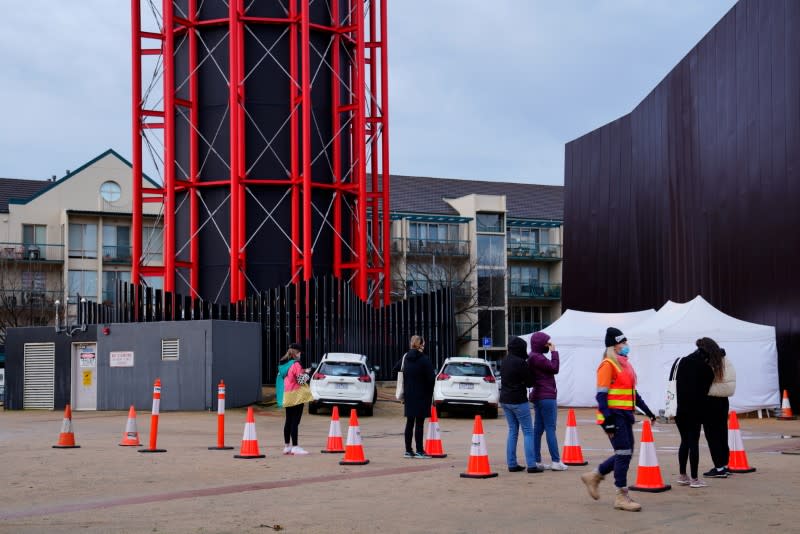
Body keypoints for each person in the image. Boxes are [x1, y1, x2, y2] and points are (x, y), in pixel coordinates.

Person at [581, 327, 657, 512]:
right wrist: (608, 420)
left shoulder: (625, 365)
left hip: (625, 415)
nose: (626, 345)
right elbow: (601, 396)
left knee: (625, 453)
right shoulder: (608, 364)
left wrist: (649, 412)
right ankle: (621, 496)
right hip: (614, 416)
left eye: (625, 342)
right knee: (623, 453)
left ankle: (595, 476)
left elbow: (633, 394)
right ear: (614, 346)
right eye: (623, 343)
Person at [500, 336, 541, 473]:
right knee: (528, 432)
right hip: (518, 400)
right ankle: (531, 465)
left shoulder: (504, 360)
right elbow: (530, 382)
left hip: (505, 400)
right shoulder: (521, 362)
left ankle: (512, 464)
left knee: (512, 431)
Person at [527, 332, 567, 471]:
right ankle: (556, 461)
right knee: (550, 428)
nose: (548, 345)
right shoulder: (538, 357)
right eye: (546, 342)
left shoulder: (532, 357)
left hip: (538, 396)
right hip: (547, 396)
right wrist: (554, 352)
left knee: (538, 429)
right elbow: (554, 368)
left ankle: (537, 460)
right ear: (540, 344)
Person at [393, 335, 435, 458]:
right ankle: (420, 451)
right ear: (421, 344)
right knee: (420, 423)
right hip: (422, 395)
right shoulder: (424, 359)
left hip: (409, 395)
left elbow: (395, 369)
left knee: (410, 422)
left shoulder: (405, 357)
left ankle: (408, 450)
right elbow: (431, 379)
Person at [702, 346, 736, 478]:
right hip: (723, 400)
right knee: (722, 433)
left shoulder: (711, 362)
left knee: (712, 434)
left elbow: (706, 380)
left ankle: (719, 467)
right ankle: (725, 465)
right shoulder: (726, 361)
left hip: (711, 400)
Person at [282, 343, 312, 455]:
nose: (300, 355)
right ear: (297, 353)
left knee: (288, 420)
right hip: (297, 395)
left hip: (287, 394)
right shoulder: (296, 364)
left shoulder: (285, 364)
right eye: (300, 353)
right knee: (295, 421)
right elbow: (300, 381)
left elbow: (291, 377)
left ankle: (287, 446)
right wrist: (308, 373)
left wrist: (302, 371)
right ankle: (295, 446)